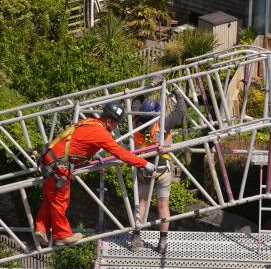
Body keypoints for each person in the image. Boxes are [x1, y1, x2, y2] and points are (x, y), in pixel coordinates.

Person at [34, 102, 156, 246]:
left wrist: (90, 157)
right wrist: (144, 163)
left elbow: (78, 143)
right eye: (116, 124)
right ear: (109, 122)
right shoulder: (101, 133)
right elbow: (121, 153)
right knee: (60, 199)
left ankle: (41, 228)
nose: (116, 127)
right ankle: (62, 236)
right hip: (59, 166)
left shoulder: (89, 121)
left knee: (51, 197)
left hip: (50, 158)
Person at [129, 86, 187, 254]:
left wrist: (146, 87)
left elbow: (136, 101)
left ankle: (136, 237)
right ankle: (162, 241)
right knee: (163, 204)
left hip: (143, 168)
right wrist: (177, 93)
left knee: (141, 203)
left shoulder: (134, 122)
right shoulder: (163, 124)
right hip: (162, 169)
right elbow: (180, 111)